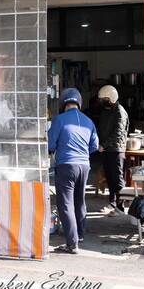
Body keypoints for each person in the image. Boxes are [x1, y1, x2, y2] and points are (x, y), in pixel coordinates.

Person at [48, 88, 99, 254]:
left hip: (66, 165)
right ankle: (80, 234)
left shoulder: (59, 120)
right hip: (84, 166)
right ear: (79, 103)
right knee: (79, 200)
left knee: (66, 204)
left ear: (63, 104)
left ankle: (72, 243)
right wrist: (82, 153)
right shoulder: (88, 121)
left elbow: (50, 144)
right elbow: (94, 146)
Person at [96, 85, 129, 216]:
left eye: (104, 99)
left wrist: (104, 144)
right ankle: (112, 203)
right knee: (109, 177)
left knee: (117, 178)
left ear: (111, 98)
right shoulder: (106, 111)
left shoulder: (120, 111)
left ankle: (120, 207)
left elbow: (118, 132)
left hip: (116, 149)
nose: (102, 102)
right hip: (106, 149)